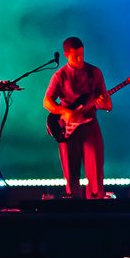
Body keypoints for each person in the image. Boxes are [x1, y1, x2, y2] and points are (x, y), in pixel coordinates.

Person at [44, 36, 111, 199]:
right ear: (66, 54)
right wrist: (64, 111)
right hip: (68, 127)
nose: (80, 59)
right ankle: (72, 206)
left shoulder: (94, 72)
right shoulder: (60, 76)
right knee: (71, 172)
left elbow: (108, 105)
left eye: (82, 54)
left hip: (90, 125)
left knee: (95, 170)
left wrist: (103, 104)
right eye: (76, 56)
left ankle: (97, 203)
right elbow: (47, 102)